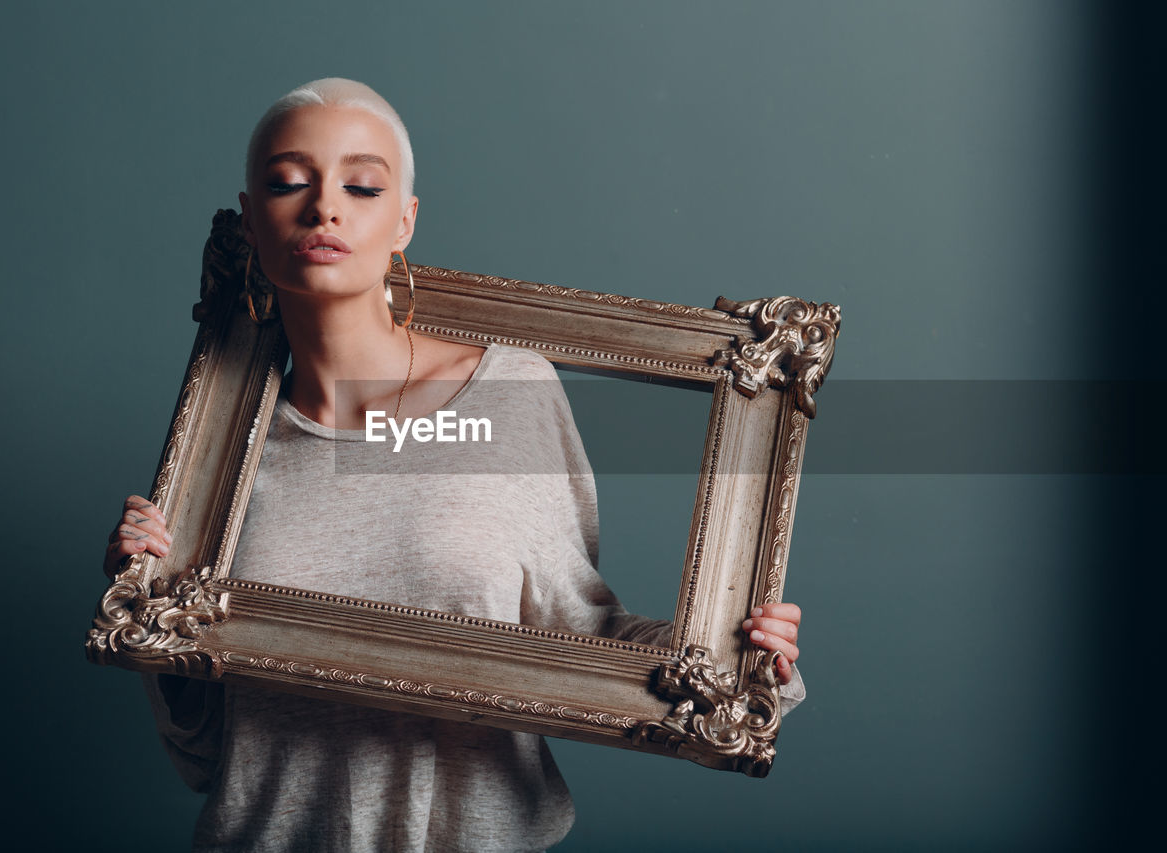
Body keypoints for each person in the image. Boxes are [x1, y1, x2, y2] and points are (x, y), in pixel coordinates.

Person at [103, 78, 805, 852]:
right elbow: (205, 759)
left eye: (361, 185)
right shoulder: (218, 448)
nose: (323, 208)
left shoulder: (506, 391)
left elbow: (582, 628)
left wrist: (736, 661)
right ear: (251, 218)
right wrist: (150, 616)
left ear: (404, 219)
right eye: (287, 182)